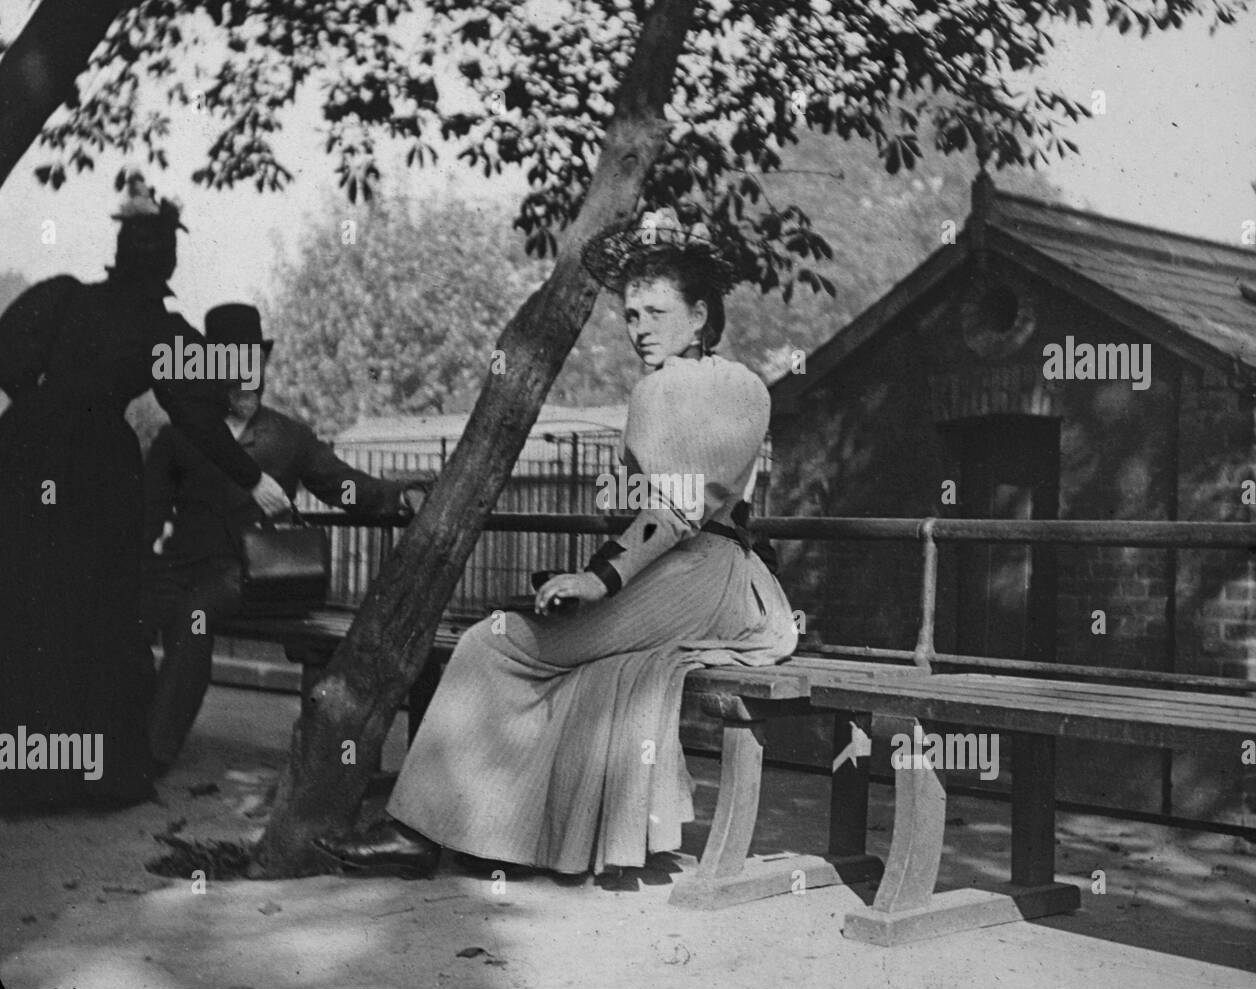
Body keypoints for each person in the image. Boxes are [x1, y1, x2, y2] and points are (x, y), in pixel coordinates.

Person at [317, 207, 797, 878]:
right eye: (630, 316)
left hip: (699, 574)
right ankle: (513, 837)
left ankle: (418, 833)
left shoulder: (694, 386)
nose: (639, 329)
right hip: (706, 580)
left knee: (495, 640)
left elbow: (685, 502)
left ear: (698, 316)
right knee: (568, 655)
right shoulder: (724, 384)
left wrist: (599, 578)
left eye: (656, 313)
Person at [0, 176, 292, 812]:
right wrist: (251, 477)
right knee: (93, 606)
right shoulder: (161, 329)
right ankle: (82, 776)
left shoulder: (63, 298)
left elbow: (9, 359)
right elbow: (199, 411)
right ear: (166, 261)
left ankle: (18, 772)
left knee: (24, 601)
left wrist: (46, 408)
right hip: (92, 470)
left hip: (19, 454)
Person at [139, 303, 431, 772]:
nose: (248, 377)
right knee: (124, 608)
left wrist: (402, 496)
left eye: (255, 363)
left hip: (249, 574)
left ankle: (151, 756)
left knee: (194, 616)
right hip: (184, 568)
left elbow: (344, 485)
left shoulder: (288, 436)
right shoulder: (178, 436)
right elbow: (147, 515)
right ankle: (116, 731)